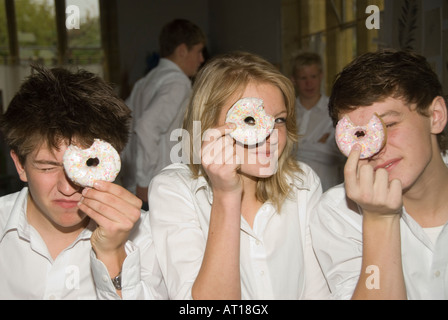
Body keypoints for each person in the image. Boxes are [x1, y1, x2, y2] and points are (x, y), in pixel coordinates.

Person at [148, 51, 330, 299]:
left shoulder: (302, 182)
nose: (271, 135)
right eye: (250, 120)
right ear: (209, 122)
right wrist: (226, 195)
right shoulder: (174, 191)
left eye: (278, 119)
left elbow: (318, 293)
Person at [0, 65, 167, 299]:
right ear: (20, 165)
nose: (67, 189)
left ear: (111, 162)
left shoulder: (147, 235)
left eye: (86, 167)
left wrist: (112, 254)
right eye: (47, 167)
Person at [310, 49, 448, 299]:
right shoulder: (340, 213)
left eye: (389, 125)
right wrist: (379, 220)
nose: (375, 149)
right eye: (360, 135)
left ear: (435, 116)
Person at [121, 19, 206, 209]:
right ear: (182, 50)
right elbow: (146, 127)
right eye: (198, 51)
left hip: (141, 182)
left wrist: (130, 175)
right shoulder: (178, 83)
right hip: (158, 186)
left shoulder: (146, 80)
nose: (201, 59)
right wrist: (143, 181)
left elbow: (125, 123)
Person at [290, 52, 344, 191]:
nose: (309, 83)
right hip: (291, 188)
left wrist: (295, 148)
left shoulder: (335, 110)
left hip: (326, 188)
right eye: (303, 78)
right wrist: (316, 145)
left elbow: (336, 155)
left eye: (313, 76)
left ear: (321, 76)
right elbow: (277, 152)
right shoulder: (287, 112)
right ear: (294, 80)